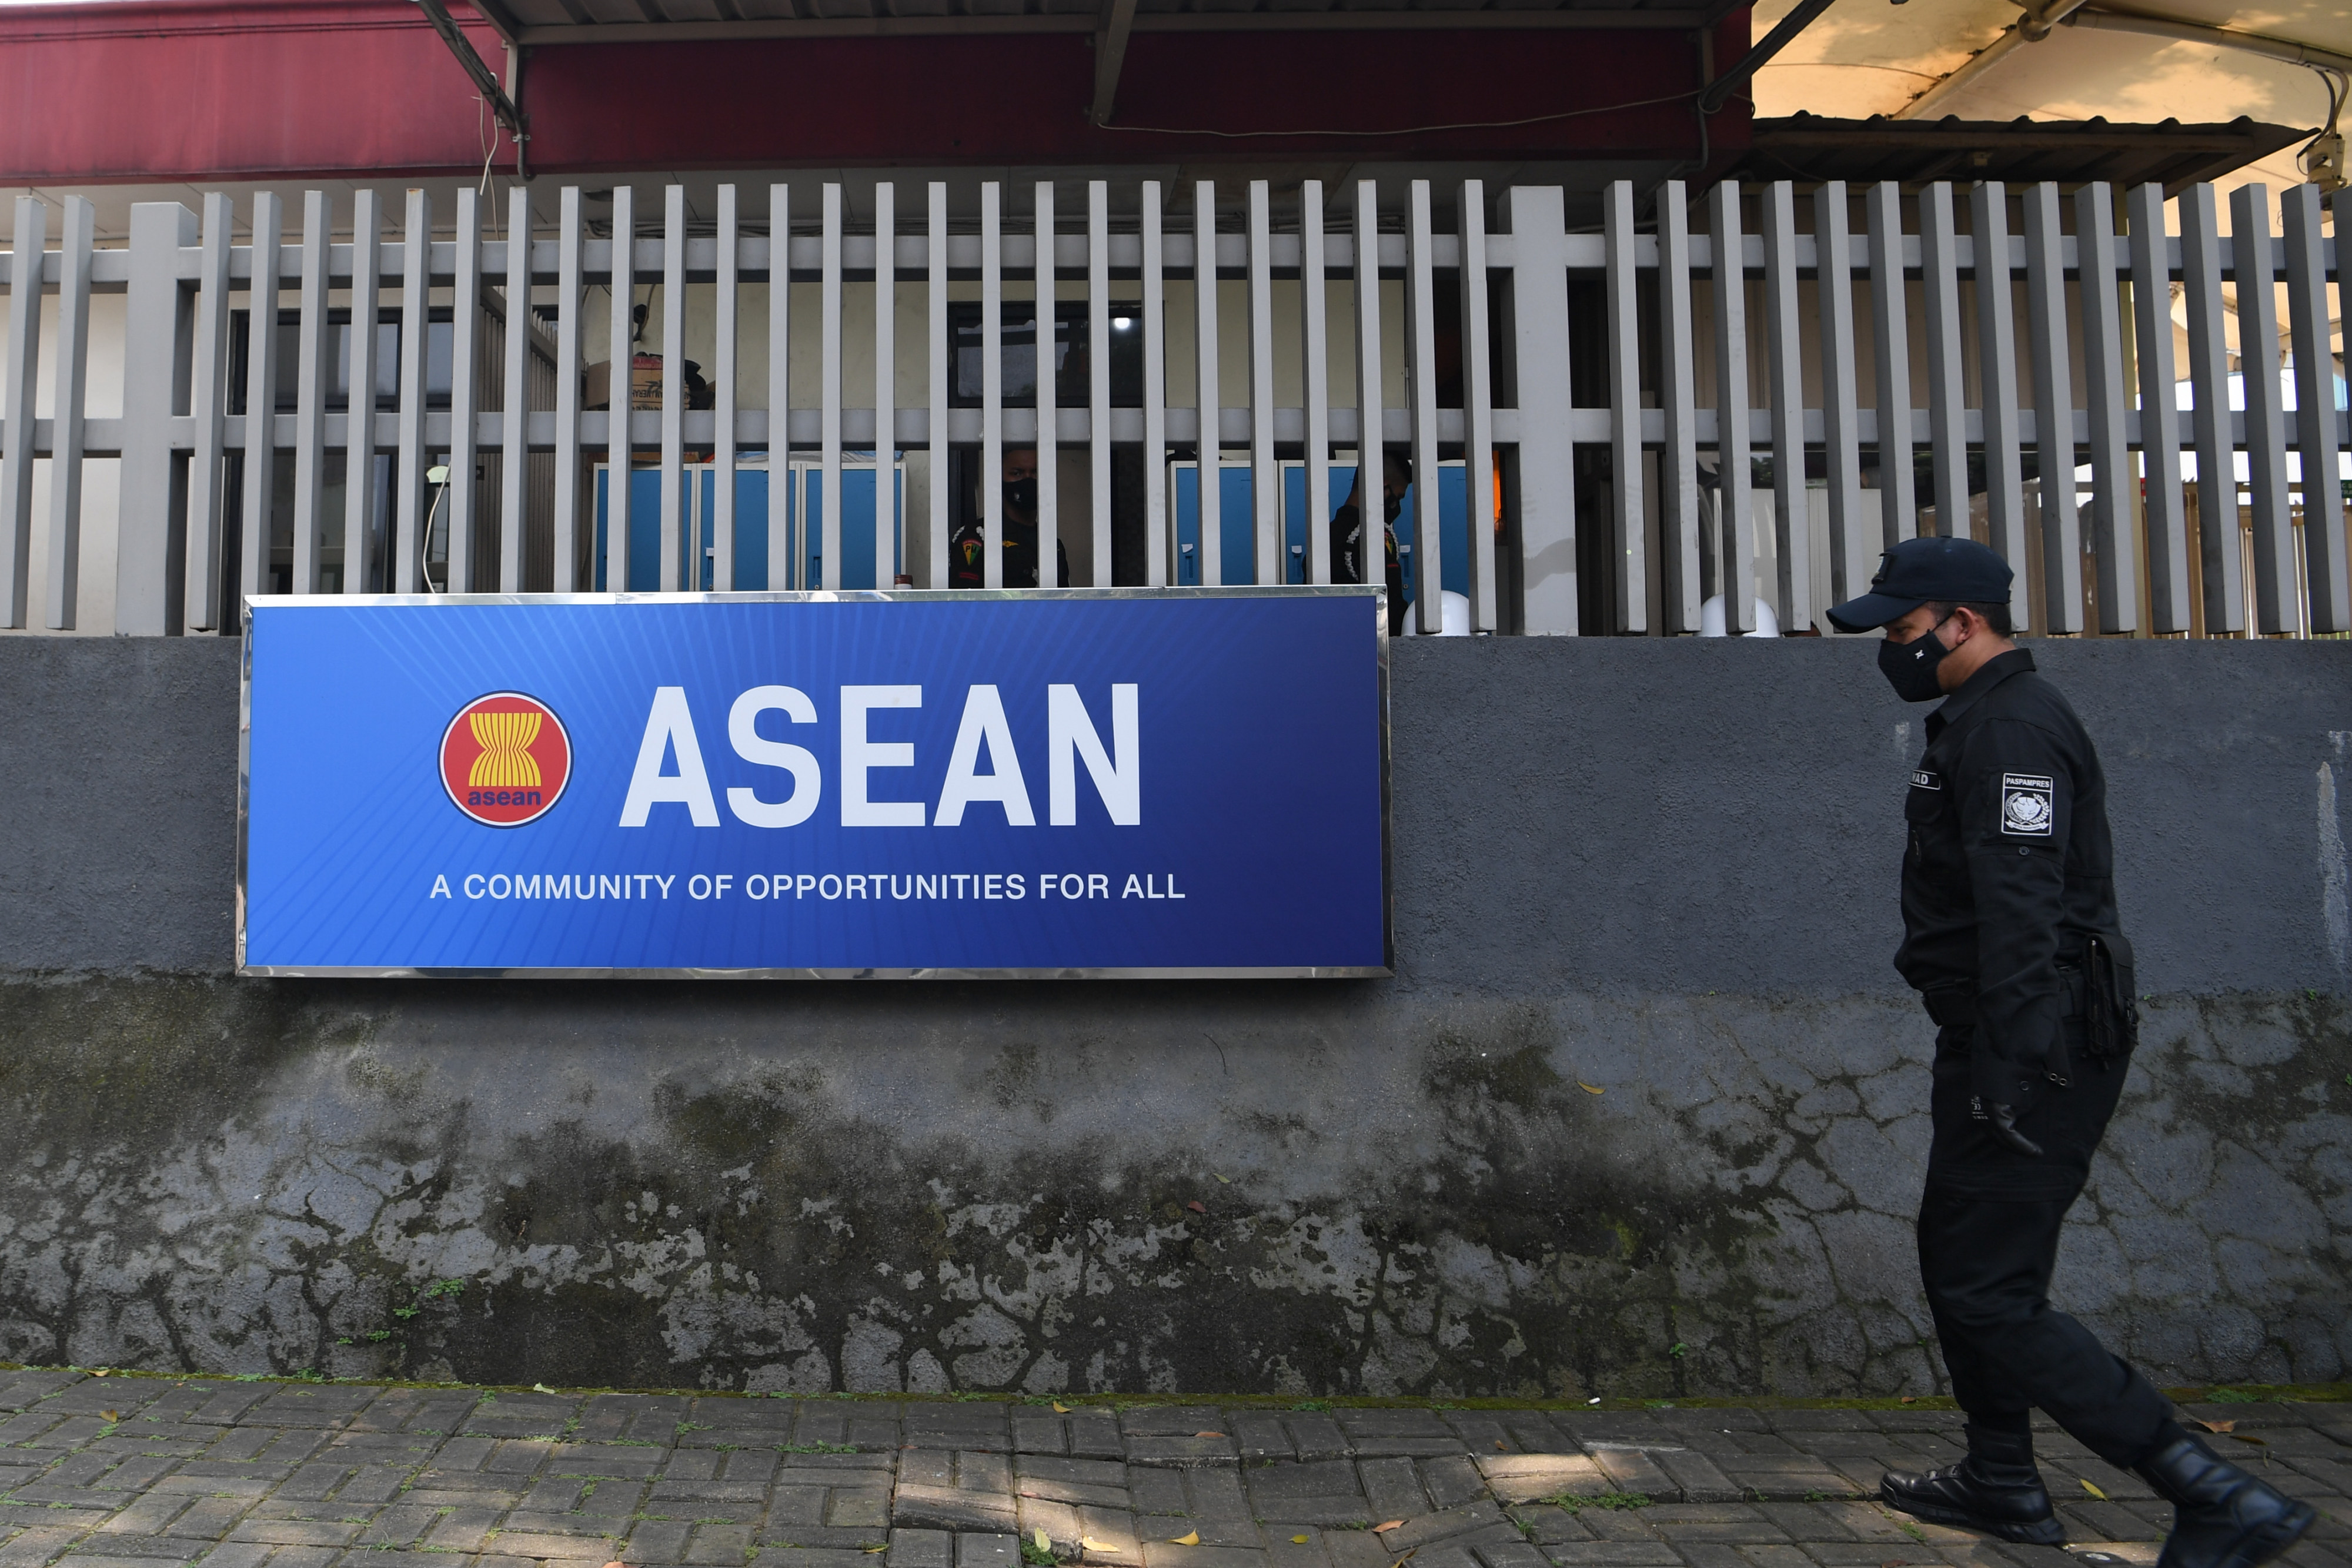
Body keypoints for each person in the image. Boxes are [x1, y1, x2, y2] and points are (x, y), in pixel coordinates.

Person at [1825, 536, 2313, 1568]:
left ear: (1962, 622)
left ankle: (2209, 1488)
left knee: (1987, 1286)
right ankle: (2001, 1476)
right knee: (1964, 1264)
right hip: (2009, 1036)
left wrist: (2012, 1056)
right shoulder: (1979, 721)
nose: (1893, 650)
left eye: (1905, 630)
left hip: (2036, 1043)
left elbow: (2023, 907)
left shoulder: (2010, 731)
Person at [951, 447, 1068, 589]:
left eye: (1035, 472)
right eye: (1017, 473)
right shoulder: (976, 537)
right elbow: (965, 603)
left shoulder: (1053, 545)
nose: (1028, 479)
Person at [1331, 450, 1409, 636]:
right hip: (1368, 646)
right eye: (1397, 497)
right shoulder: (1370, 537)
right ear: (1383, 487)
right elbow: (1393, 607)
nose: (1396, 505)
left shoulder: (1327, 535)